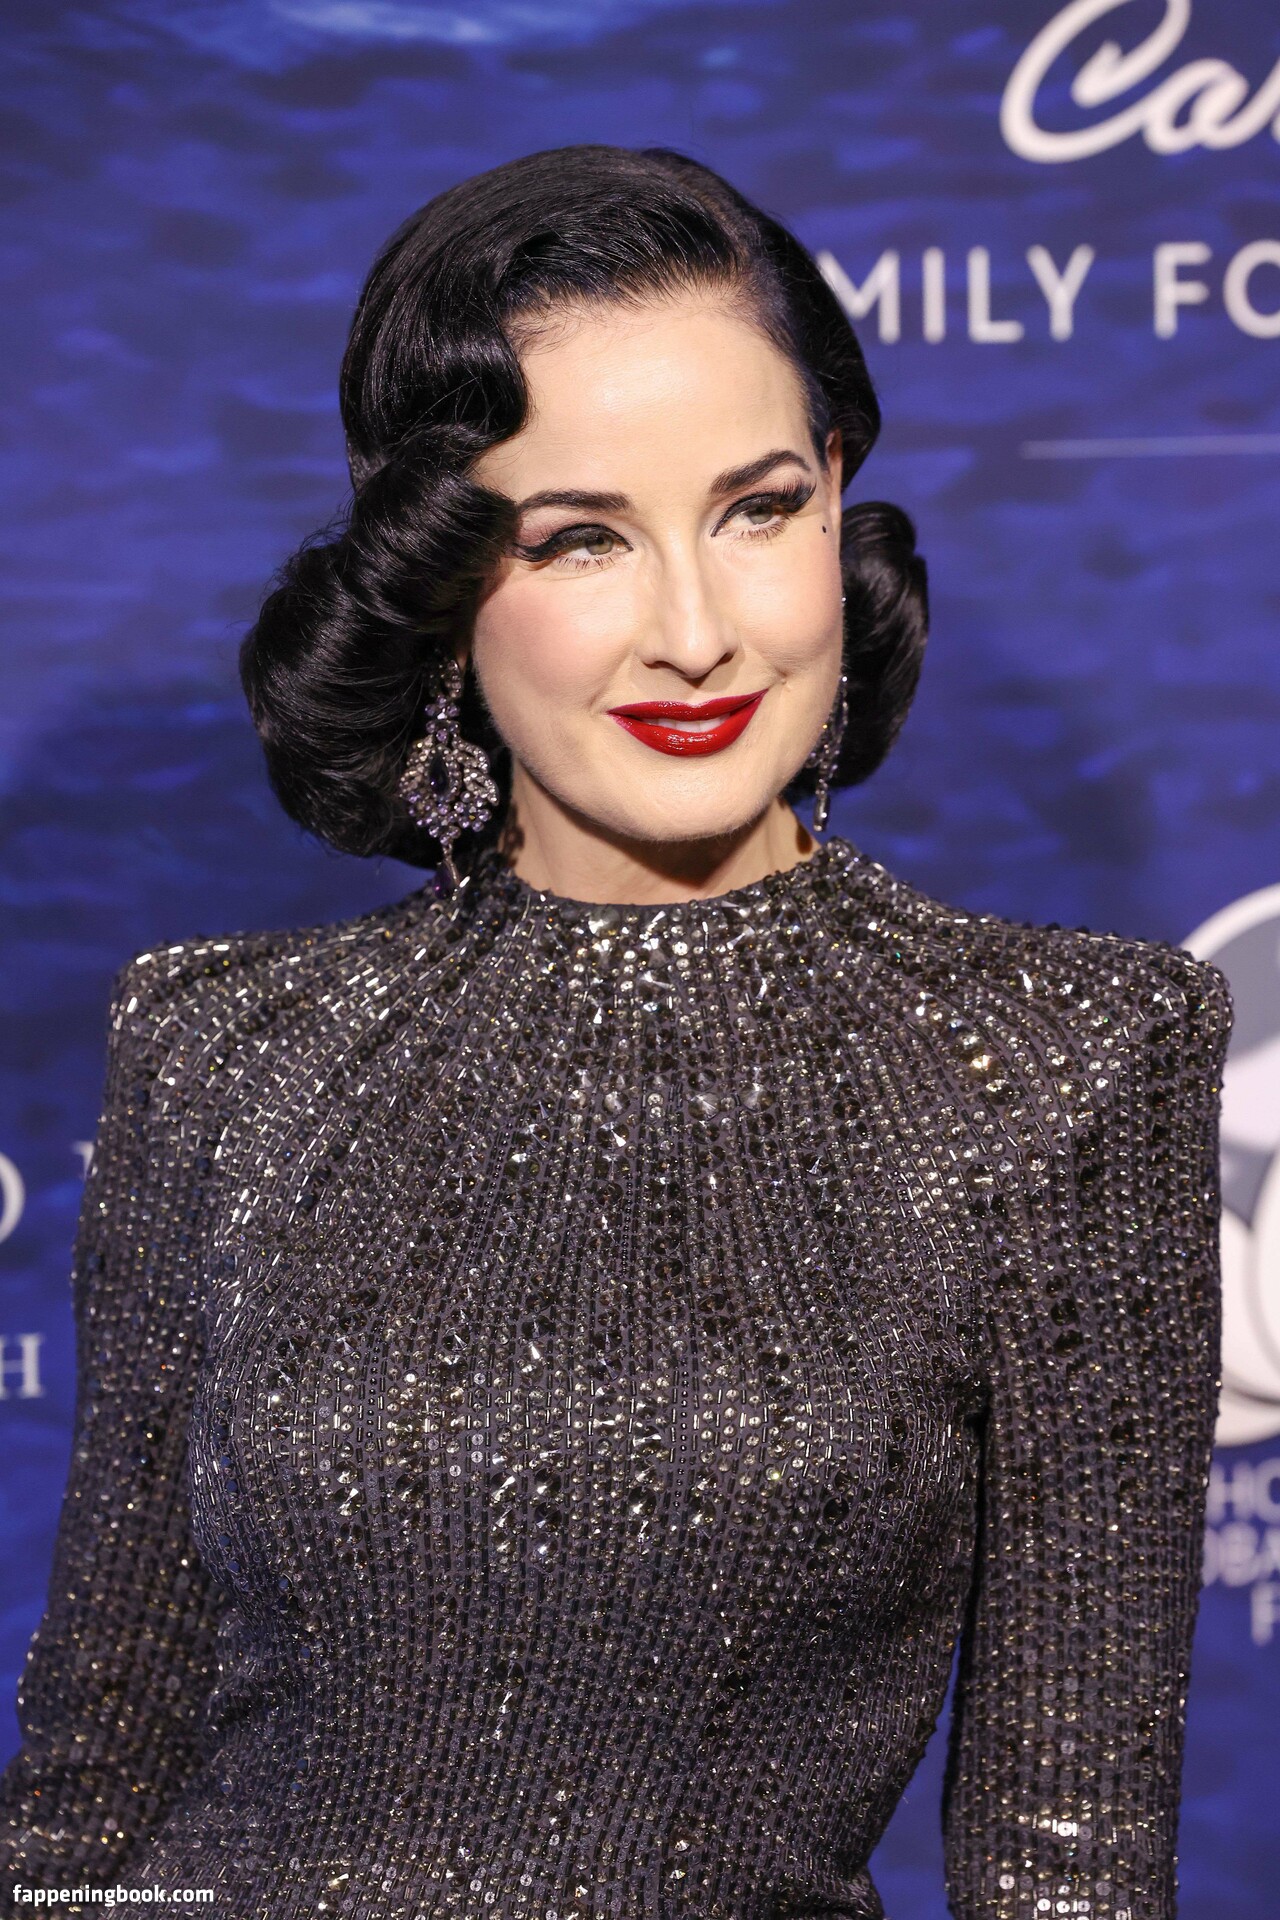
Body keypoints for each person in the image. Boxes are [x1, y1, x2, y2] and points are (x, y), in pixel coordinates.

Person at [0, 145, 1231, 1920]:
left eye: (757, 510)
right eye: (581, 538)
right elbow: (89, 1789)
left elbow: (1073, 1865)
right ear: (441, 577)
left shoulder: (1064, 1065)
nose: (696, 634)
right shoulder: (224, 1054)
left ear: (838, 498)